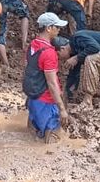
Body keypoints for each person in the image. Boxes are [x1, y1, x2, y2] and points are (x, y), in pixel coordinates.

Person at [23, 12, 72, 141]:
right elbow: (52, 83)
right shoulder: (49, 53)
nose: (59, 30)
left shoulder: (33, 45)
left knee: (33, 133)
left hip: (34, 97)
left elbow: (30, 70)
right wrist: (62, 109)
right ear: (48, 28)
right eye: (57, 27)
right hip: (46, 101)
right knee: (54, 137)